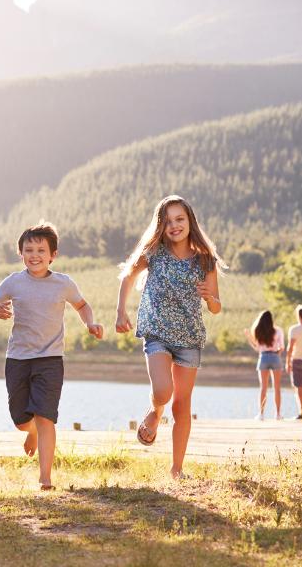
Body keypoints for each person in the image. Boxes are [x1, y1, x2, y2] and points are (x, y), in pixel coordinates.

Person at [0, 222, 103, 491]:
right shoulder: (14, 281)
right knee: (21, 420)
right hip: (17, 358)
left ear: (53, 255)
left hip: (50, 359)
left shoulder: (63, 283)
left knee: (46, 415)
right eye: (29, 250)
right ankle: (32, 431)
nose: (34, 255)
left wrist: (90, 324)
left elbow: (82, 306)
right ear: (21, 253)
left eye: (40, 250)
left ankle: (45, 478)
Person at [114, 195, 225, 479]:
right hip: (157, 331)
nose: (175, 226)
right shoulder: (154, 252)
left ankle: (177, 469)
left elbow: (215, 307)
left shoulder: (205, 259)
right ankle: (154, 410)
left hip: (189, 337)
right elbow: (128, 276)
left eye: (180, 219)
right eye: (168, 221)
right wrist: (121, 312)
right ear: (161, 226)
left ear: (190, 222)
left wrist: (210, 297)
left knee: (181, 405)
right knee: (163, 391)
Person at [244, 311, 285, 420]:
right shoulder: (278, 330)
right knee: (277, 388)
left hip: (263, 357)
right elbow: (282, 347)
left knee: (263, 388)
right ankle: (277, 414)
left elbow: (257, 348)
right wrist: (277, 354)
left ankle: (261, 414)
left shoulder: (258, 331)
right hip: (275, 357)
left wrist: (249, 337)